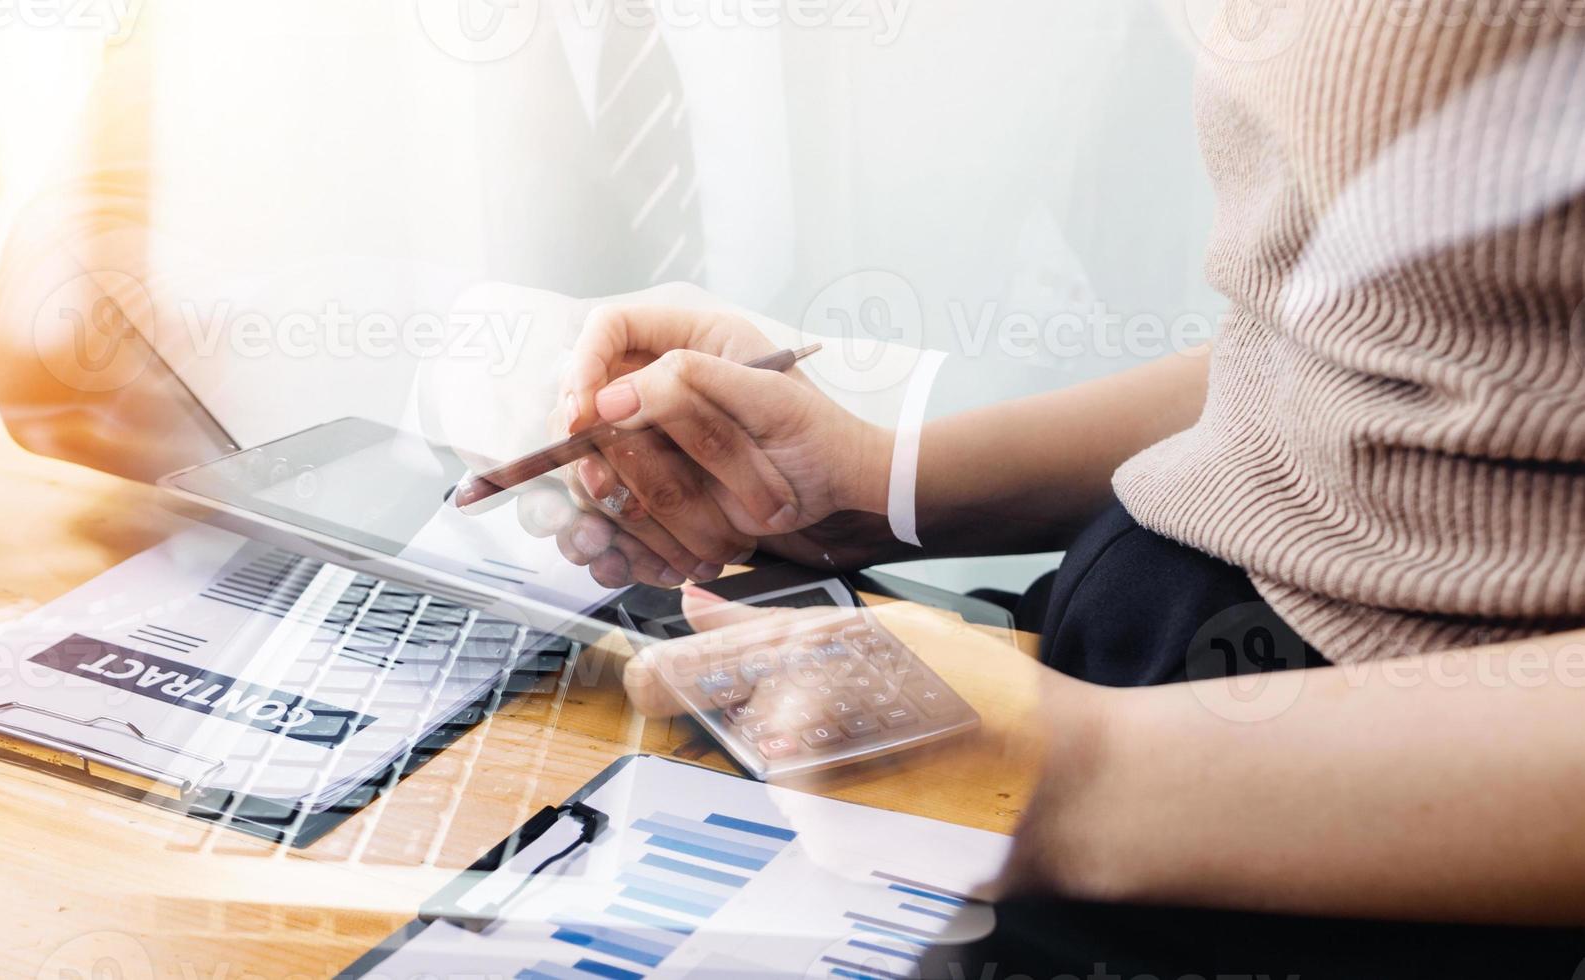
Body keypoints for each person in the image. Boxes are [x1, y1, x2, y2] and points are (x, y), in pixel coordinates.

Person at [540, 10, 1585, 927]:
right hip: (1109, 683)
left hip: (1351, 840)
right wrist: (878, 487)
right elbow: (1357, 342)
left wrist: (1073, 780)